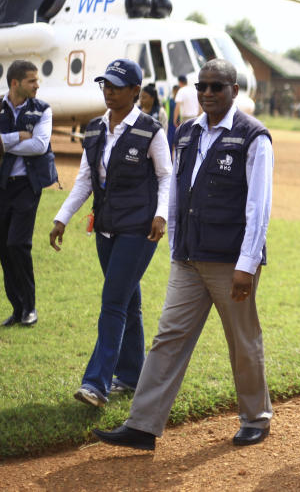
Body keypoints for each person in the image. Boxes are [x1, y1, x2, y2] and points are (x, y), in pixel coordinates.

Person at [93, 58, 274, 450]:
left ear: (234, 91)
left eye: (217, 87)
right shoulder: (187, 133)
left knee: (242, 340)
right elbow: (175, 193)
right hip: (188, 259)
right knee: (168, 337)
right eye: (202, 86)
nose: (207, 93)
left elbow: (259, 207)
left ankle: (256, 418)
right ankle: (142, 425)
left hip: (231, 262)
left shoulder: (253, 136)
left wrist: (247, 263)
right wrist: (176, 247)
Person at [49, 59, 172, 406]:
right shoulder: (93, 129)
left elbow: (166, 177)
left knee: (113, 301)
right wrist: (62, 217)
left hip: (139, 229)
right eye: (105, 84)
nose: (109, 91)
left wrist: (160, 215)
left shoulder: (151, 130)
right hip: (105, 228)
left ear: (135, 91)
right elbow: (87, 180)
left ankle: (96, 384)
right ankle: (133, 376)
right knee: (128, 302)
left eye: (117, 86)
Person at [0, 60, 57, 327]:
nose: (37, 85)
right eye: (32, 80)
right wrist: (16, 137)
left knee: (17, 244)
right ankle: (17, 308)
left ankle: (30, 307)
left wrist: (3, 142)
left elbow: (39, 145)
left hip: (27, 186)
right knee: (3, 248)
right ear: (15, 83)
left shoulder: (43, 109)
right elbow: (24, 141)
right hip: (3, 185)